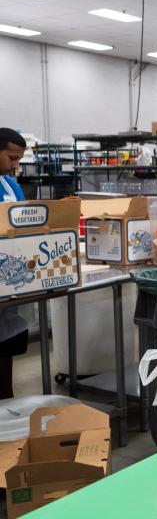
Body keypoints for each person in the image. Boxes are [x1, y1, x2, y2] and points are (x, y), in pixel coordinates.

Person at [0, 128, 29, 399]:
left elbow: (26, 221)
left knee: (6, 346)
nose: (15, 165)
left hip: (8, 277)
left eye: (19, 159)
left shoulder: (10, 185)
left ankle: (6, 402)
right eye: (11, 157)